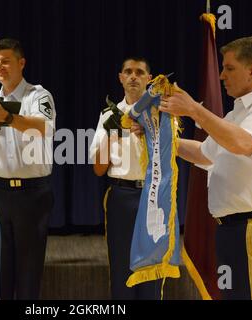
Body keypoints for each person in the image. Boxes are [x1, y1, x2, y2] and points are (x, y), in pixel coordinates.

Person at [160, 36, 252, 300]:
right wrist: (163, 141)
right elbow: (206, 154)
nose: (221, 75)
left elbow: (242, 143)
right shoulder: (236, 115)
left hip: (251, 229)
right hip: (230, 230)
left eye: (229, 68)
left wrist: (195, 111)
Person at [0, 38, 56, 300]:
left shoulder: (38, 95)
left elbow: (45, 127)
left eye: (5, 61)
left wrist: (6, 117)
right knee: (0, 271)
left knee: (28, 273)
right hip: (0, 193)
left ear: (21, 63)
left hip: (32, 195)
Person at [89, 57, 163, 300]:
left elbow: (171, 158)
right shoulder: (108, 115)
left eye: (139, 72)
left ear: (149, 78)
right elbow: (99, 169)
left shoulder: (162, 113)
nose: (133, 76)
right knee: (121, 266)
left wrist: (149, 131)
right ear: (120, 77)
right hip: (121, 196)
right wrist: (115, 132)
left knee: (151, 268)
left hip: (152, 197)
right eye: (128, 72)